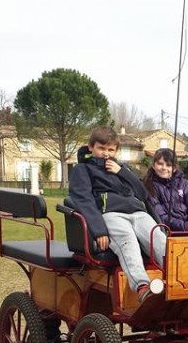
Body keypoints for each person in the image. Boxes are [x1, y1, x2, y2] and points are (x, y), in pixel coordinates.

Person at [69, 126, 166, 303]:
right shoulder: (82, 170)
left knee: (160, 240)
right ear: (91, 147)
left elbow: (143, 194)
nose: (106, 153)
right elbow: (84, 200)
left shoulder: (123, 169)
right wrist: (99, 230)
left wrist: (121, 172)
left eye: (110, 150)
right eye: (101, 148)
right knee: (127, 241)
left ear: (116, 150)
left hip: (137, 213)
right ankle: (142, 287)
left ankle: (180, 281)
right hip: (111, 214)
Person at [143, 148, 188, 235]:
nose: (164, 168)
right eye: (160, 164)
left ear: (174, 168)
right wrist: (184, 227)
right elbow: (159, 215)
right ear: (153, 165)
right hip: (167, 232)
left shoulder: (185, 184)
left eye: (168, 165)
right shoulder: (149, 186)